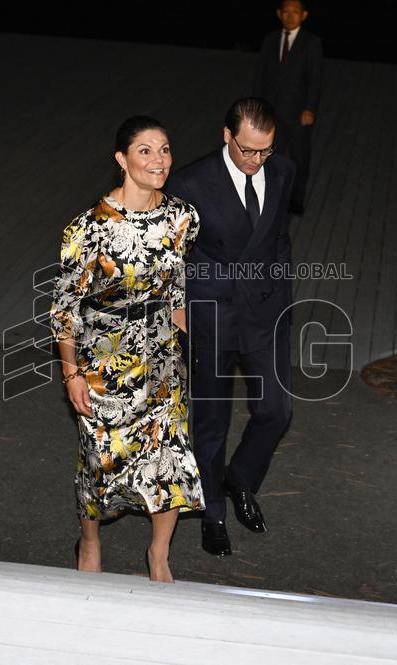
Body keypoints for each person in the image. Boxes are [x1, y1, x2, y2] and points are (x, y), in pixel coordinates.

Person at [50, 116, 204, 583]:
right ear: (121, 159)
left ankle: (158, 554)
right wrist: (71, 373)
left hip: (161, 359)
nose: (158, 160)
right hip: (103, 361)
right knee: (100, 459)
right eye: (145, 151)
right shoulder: (89, 228)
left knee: (170, 457)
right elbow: (65, 308)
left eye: (164, 149)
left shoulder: (183, 217)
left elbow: (176, 285)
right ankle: (90, 542)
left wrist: (184, 340)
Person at [167, 98, 294, 557]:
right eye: (248, 151)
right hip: (213, 313)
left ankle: (239, 480)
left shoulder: (282, 172)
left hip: (264, 312)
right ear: (227, 136)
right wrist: (179, 305)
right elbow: (172, 255)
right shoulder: (190, 182)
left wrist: (280, 294)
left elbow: (280, 238)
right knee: (212, 421)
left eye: (266, 151)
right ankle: (213, 510)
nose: (257, 161)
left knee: (276, 411)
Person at [252, 0, 322, 216]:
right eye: (286, 12)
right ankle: (271, 198)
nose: (290, 16)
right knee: (270, 156)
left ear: (304, 15)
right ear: (279, 14)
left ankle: (296, 200)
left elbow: (315, 79)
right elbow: (260, 74)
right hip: (271, 113)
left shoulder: (311, 43)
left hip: (298, 113)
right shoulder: (271, 39)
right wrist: (257, 107)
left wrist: (310, 109)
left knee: (300, 158)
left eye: (295, 12)